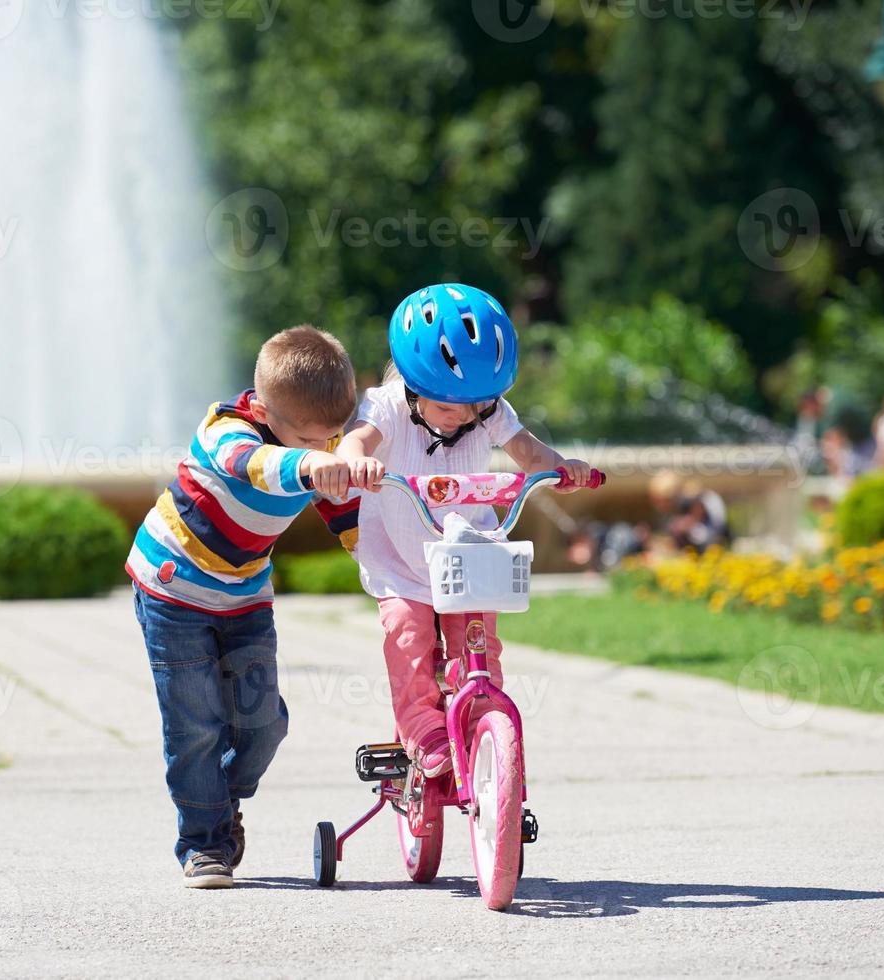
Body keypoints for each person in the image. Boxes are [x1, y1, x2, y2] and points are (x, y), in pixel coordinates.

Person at [126, 325, 360, 889]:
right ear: (265, 408)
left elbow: (345, 511)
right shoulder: (225, 430)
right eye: (309, 439)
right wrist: (303, 466)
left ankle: (218, 799)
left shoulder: (320, 445)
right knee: (196, 727)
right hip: (173, 588)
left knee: (264, 725)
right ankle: (204, 845)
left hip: (244, 594)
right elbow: (253, 465)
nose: (324, 448)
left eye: (333, 436)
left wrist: (379, 568)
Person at [337, 283, 592, 779]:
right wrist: (355, 461)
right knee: (408, 637)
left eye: (475, 408)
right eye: (450, 408)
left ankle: (480, 720)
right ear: (413, 384)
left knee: (478, 643)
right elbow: (358, 438)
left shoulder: (486, 408)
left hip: (465, 554)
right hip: (400, 558)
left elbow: (527, 451)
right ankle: (422, 729)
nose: (464, 419)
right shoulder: (387, 405)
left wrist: (561, 468)